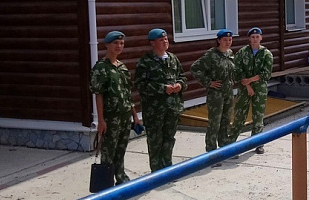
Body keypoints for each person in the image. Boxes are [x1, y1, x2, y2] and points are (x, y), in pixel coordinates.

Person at [90, 30, 141, 185]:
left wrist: (136, 116)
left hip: (125, 115)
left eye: (121, 43)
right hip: (111, 117)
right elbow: (98, 94)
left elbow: (127, 93)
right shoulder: (101, 68)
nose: (119, 46)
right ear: (107, 45)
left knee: (121, 149)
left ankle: (121, 178)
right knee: (108, 151)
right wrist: (101, 120)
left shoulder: (122, 67)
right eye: (115, 43)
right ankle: (106, 183)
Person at [135, 28, 187, 172]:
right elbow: (140, 84)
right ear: (152, 43)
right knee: (155, 141)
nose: (165, 42)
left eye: (166, 39)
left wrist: (180, 85)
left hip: (172, 108)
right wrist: (161, 88)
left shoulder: (172, 58)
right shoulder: (145, 61)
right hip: (155, 110)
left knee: (169, 138)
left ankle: (167, 168)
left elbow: (183, 77)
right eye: (161, 40)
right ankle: (156, 171)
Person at [191, 29, 239, 155]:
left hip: (228, 92)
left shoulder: (229, 53)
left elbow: (231, 69)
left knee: (226, 121)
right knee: (214, 123)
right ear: (218, 41)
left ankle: (224, 147)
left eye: (230, 40)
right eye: (225, 40)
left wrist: (232, 78)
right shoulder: (211, 55)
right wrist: (208, 82)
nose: (228, 42)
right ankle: (211, 152)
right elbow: (195, 68)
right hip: (215, 94)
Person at [232, 27, 274, 154]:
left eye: (257, 37)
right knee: (239, 115)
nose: (255, 39)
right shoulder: (242, 52)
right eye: (252, 37)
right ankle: (230, 143)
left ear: (261, 38)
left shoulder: (267, 53)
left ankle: (258, 143)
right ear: (249, 39)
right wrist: (247, 85)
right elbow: (237, 69)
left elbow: (266, 73)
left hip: (260, 88)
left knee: (258, 116)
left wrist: (250, 81)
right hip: (244, 88)